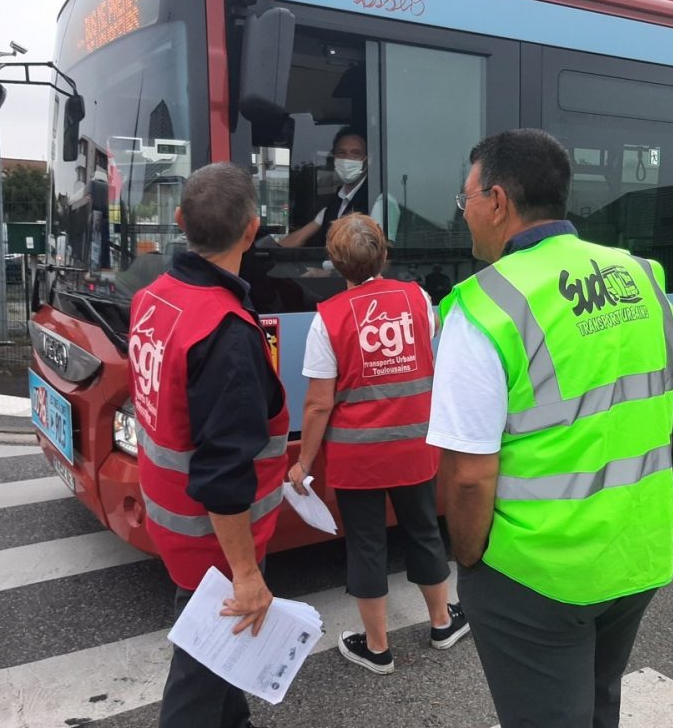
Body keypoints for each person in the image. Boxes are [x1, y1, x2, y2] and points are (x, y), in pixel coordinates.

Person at [427, 129, 673, 728]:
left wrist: (469, 558)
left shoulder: (483, 307)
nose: (464, 216)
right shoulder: (643, 277)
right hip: (636, 551)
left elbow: (467, 475)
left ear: (497, 201)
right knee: (598, 704)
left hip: (538, 571)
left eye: (465, 201)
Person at [128, 162, 290, 728]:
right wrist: (246, 574)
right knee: (199, 671)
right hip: (213, 537)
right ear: (253, 230)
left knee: (221, 657)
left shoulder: (154, 298)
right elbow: (225, 473)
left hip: (170, 511)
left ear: (179, 222)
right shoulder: (224, 331)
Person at [286, 213, 469, 674]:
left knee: (366, 545)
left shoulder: (326, 319)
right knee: (424, 530)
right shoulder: (419, 298)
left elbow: (317, 406)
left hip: (358, 457)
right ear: (383, 254)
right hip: (415, 448)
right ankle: (442, 623)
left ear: (334, 263)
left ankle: (377, 647)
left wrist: (302, 461)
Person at [279, 126, 400, 247]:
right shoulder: (335, 203)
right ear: (334, 158)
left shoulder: (379, 201)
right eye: (342, 153)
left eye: (355, 153)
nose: (347, 159)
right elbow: (298, 238)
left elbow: (381, 258)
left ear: (368, 159)